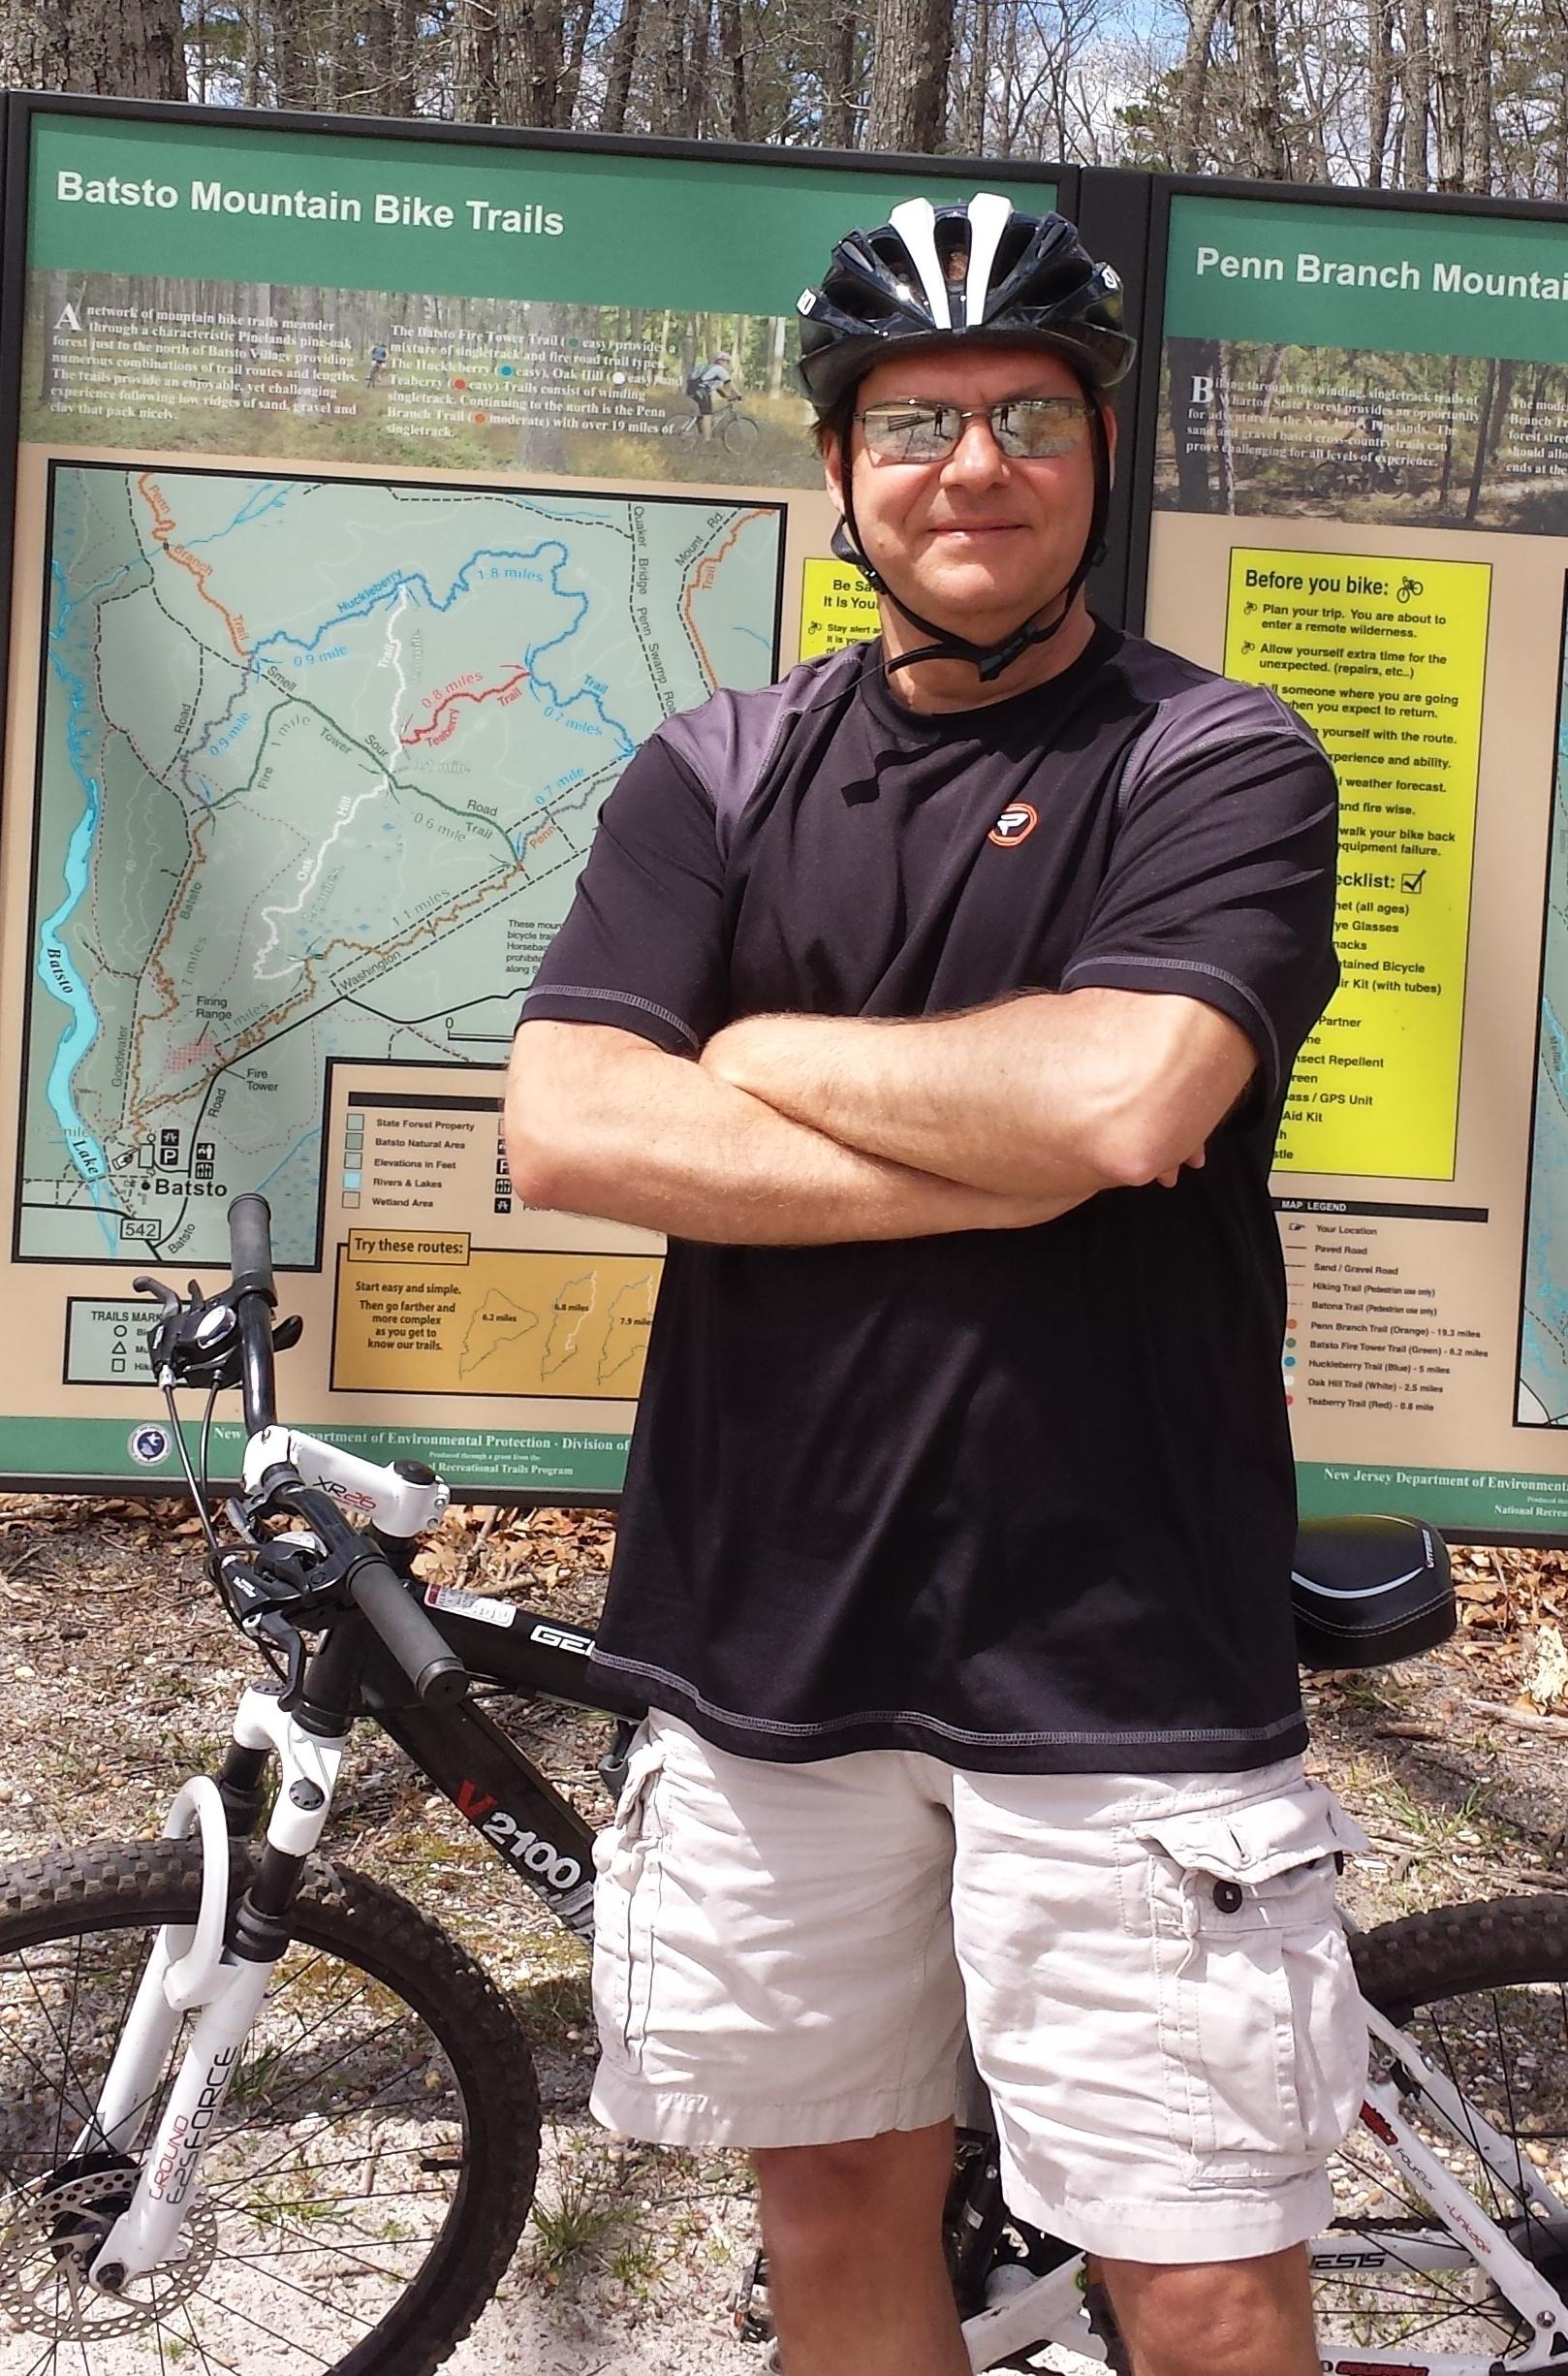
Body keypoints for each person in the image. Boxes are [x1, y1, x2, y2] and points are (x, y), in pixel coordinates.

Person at [506, 194, 1359, 2376]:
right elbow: (576, 1127)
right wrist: (1000, 1147)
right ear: (837, 474)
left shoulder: (1216, 758)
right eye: (911, 423)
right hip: (767, 1628)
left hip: (1117, 1653)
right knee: (835, 2209)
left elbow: (1121, 1095)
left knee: (1195, 2274)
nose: (966, 465)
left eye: (1020, 415)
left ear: (1091, 451)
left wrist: (764, 1061)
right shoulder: (716, 766)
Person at [685, 347, 734, 437]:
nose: (727, 364)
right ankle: (707, 440)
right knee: (707, 414)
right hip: (700, 390)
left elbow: (717, 387)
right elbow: (730, 383)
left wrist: (726, 395)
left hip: (693, 388)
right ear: (722, 361)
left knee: (706, 410)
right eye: (727, 362)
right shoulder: (720, 369)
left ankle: (699, 427)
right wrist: (739, 395)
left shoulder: (709, 368)